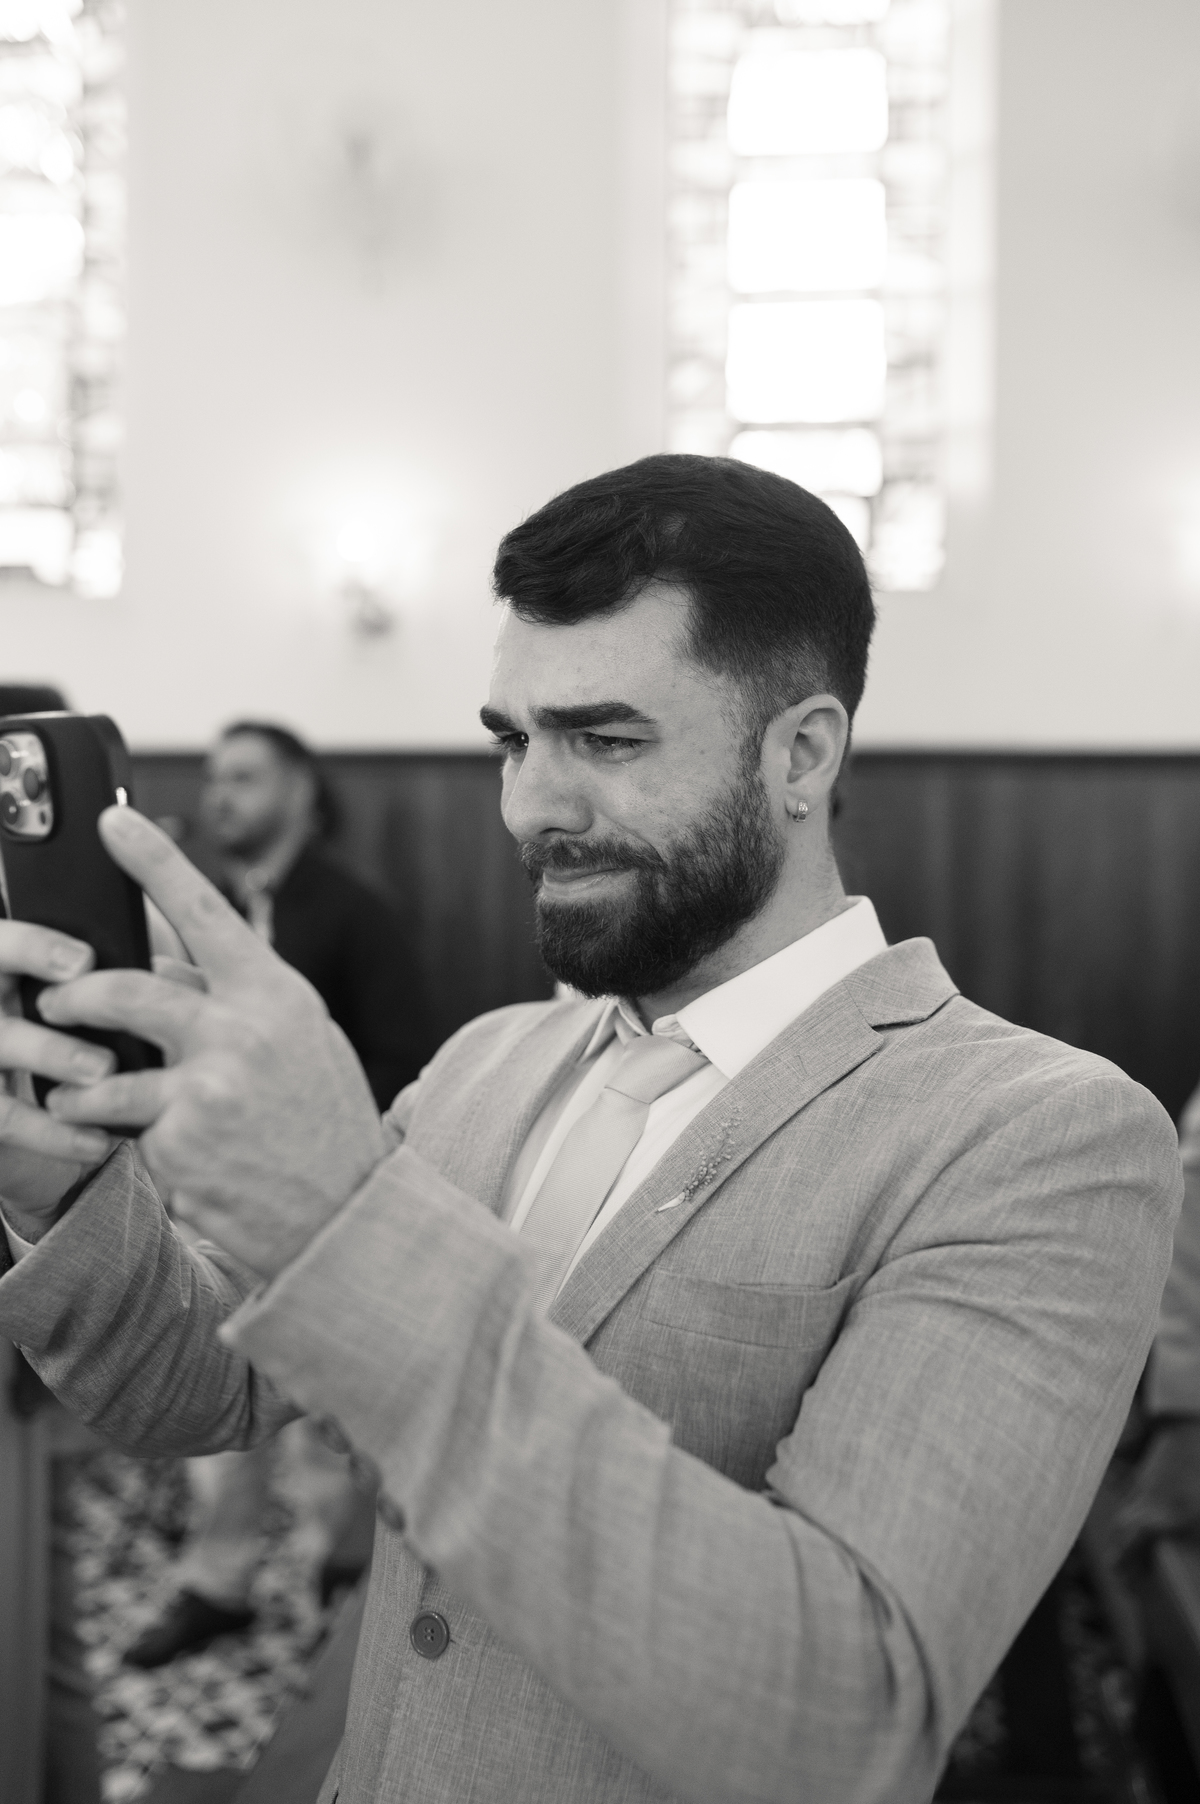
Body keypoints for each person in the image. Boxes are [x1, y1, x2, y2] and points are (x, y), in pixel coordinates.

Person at [0, 454, 1182, 1804]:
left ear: (802, 753)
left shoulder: (1041, 1138)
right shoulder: (487, 1062)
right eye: (513, 741)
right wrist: (62, 1190)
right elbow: (198, 1389)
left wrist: (345, 1209)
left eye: (606, 741)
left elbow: (843, 1719)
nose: (530, 807)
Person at [123, 721, 428, 1666]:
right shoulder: (207, 907)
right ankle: (219, 1582)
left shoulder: (356, 909)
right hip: (203, 1193)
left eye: (244, 777)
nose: (220, 796)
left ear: (301, 789)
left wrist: (309, 1135)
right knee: (219, 1399)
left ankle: (343, 1580)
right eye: (214, 778)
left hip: (325, 1199)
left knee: (324, 1424)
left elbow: (403, 1057)